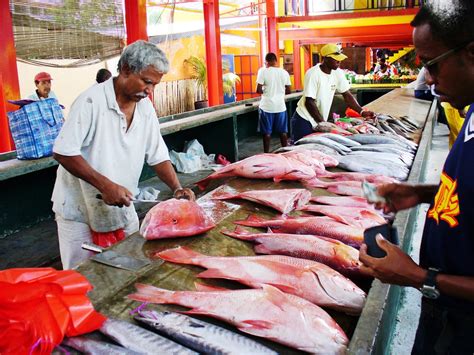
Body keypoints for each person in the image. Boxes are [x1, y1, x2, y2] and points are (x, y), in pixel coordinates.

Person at [359, 2, 474, 354]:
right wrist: (421, 193)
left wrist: (419, 277)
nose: (430, 80)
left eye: (432, 65)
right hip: (444, 312)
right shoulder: (471, 111)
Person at [51, 40, 195, 269]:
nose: (150, 91)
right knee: (82, 275)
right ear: (126, 69)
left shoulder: (145, 108)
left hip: (123, 204)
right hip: (78, 209)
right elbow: (63, 152)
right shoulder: (90, 102)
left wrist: (177, 188)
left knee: (130, 266)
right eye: (147, 82)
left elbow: (157, 155)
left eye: (154, 85)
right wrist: (105, 185)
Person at [290, 43, 375, 142]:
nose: (339, 61)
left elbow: (347, 95)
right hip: (304, 119)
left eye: (339, 58)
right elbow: (309, 101)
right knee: (303, 150)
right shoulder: (313, 73)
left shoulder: (338, 73)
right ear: (325, 58)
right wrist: (322, 122)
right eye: (335, 58)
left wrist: (361, 111)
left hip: (319, 120)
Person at [256, 52, 291, 153]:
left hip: (266, 106)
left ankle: (267, 154)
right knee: (283, 132)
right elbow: (288, 90)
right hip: (280, 107)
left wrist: (267, 91)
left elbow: (258, 90)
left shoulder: (263, 71)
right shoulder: (284, 72)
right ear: (276, 61)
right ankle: (286, 153)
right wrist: (279, 92)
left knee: (267, 133)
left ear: (266, 62)